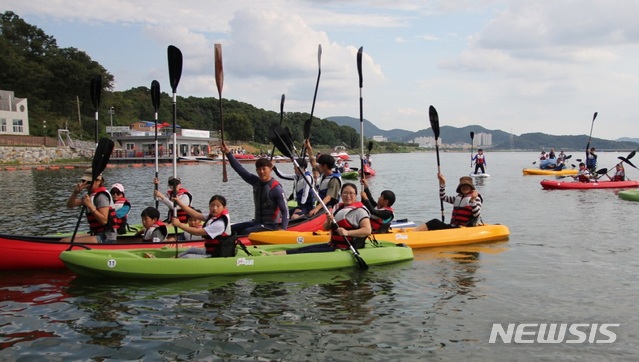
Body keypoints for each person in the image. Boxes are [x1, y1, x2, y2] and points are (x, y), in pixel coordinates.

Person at [269, 183, 371, 255]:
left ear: (355, 195)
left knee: (304, 252)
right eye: (345, 193)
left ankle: (276, 257)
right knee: (302, 248)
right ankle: (276, 254)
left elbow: (367, 230)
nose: (348, 196)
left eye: (351, 193)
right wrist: (329, 221)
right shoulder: (337, 208)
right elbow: (326, 228)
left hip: (346, 248)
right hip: (333, 245)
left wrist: (347, 233)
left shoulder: (360, 211)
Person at [222, 141, 288, 234]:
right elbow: (240, 170)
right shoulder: (255, 181)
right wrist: (228, 153)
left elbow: (285, 211)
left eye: (264, 169)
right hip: (257, 223)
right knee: (231, 229)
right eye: (259, 169)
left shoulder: (276, 188)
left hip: (270, 226)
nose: (261, 172)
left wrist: (283, 230)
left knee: (246, 232)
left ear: (270, 169)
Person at [62, 168, 116, 244]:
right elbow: (70, 205)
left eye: (89, 182)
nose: (86, 184)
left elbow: (104, 221)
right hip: (96, 234)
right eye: (84, 181)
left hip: (106, 238)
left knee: (65, 242)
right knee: (63, 240)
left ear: (98, 181)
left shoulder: (101, 196)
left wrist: (90, 206)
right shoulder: (91, 196)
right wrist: (75, 193)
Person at [414, 175, 482, 231]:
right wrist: (442, 184)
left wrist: (472, 200)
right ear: (460, 188)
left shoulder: (476, 198)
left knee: (435, 222)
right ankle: (414, 232)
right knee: (435, 223)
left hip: (464, 228)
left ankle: (413, 234)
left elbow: (477, 215)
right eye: (463, 186)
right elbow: (443, 197)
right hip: (454, 226)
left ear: (471, 187)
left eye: (467, 186)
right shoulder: (457, 198)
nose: (465, 188)